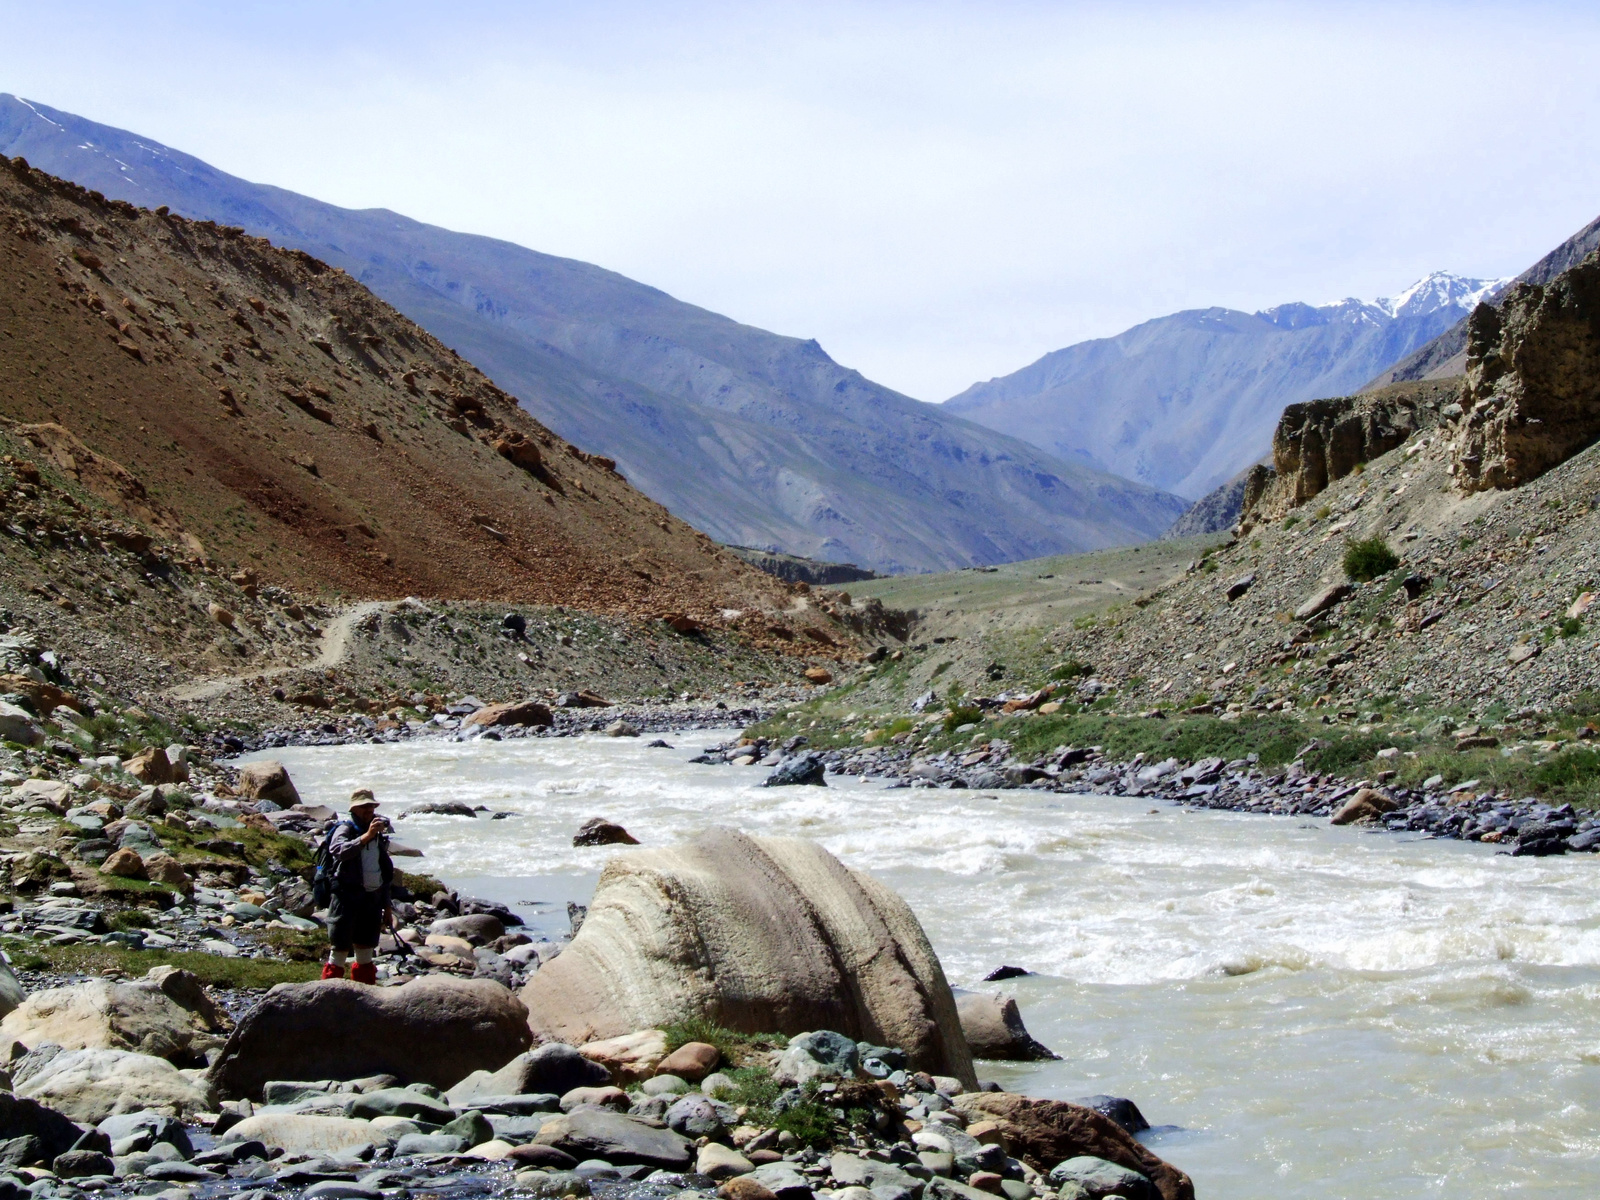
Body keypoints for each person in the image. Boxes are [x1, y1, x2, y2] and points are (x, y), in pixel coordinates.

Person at [322, 788, 394, 983]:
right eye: (364, 806)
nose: (369, 810)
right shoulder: (344, 829)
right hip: (346, 898)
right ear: (354, 809)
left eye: (371, 806)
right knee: (339, 949)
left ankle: (364, 995)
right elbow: (339, 850)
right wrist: (366, 836)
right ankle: (329, 996)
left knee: (365, 951)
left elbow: (384, 873)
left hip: (372, 899)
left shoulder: (376, 835)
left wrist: (387, 907)